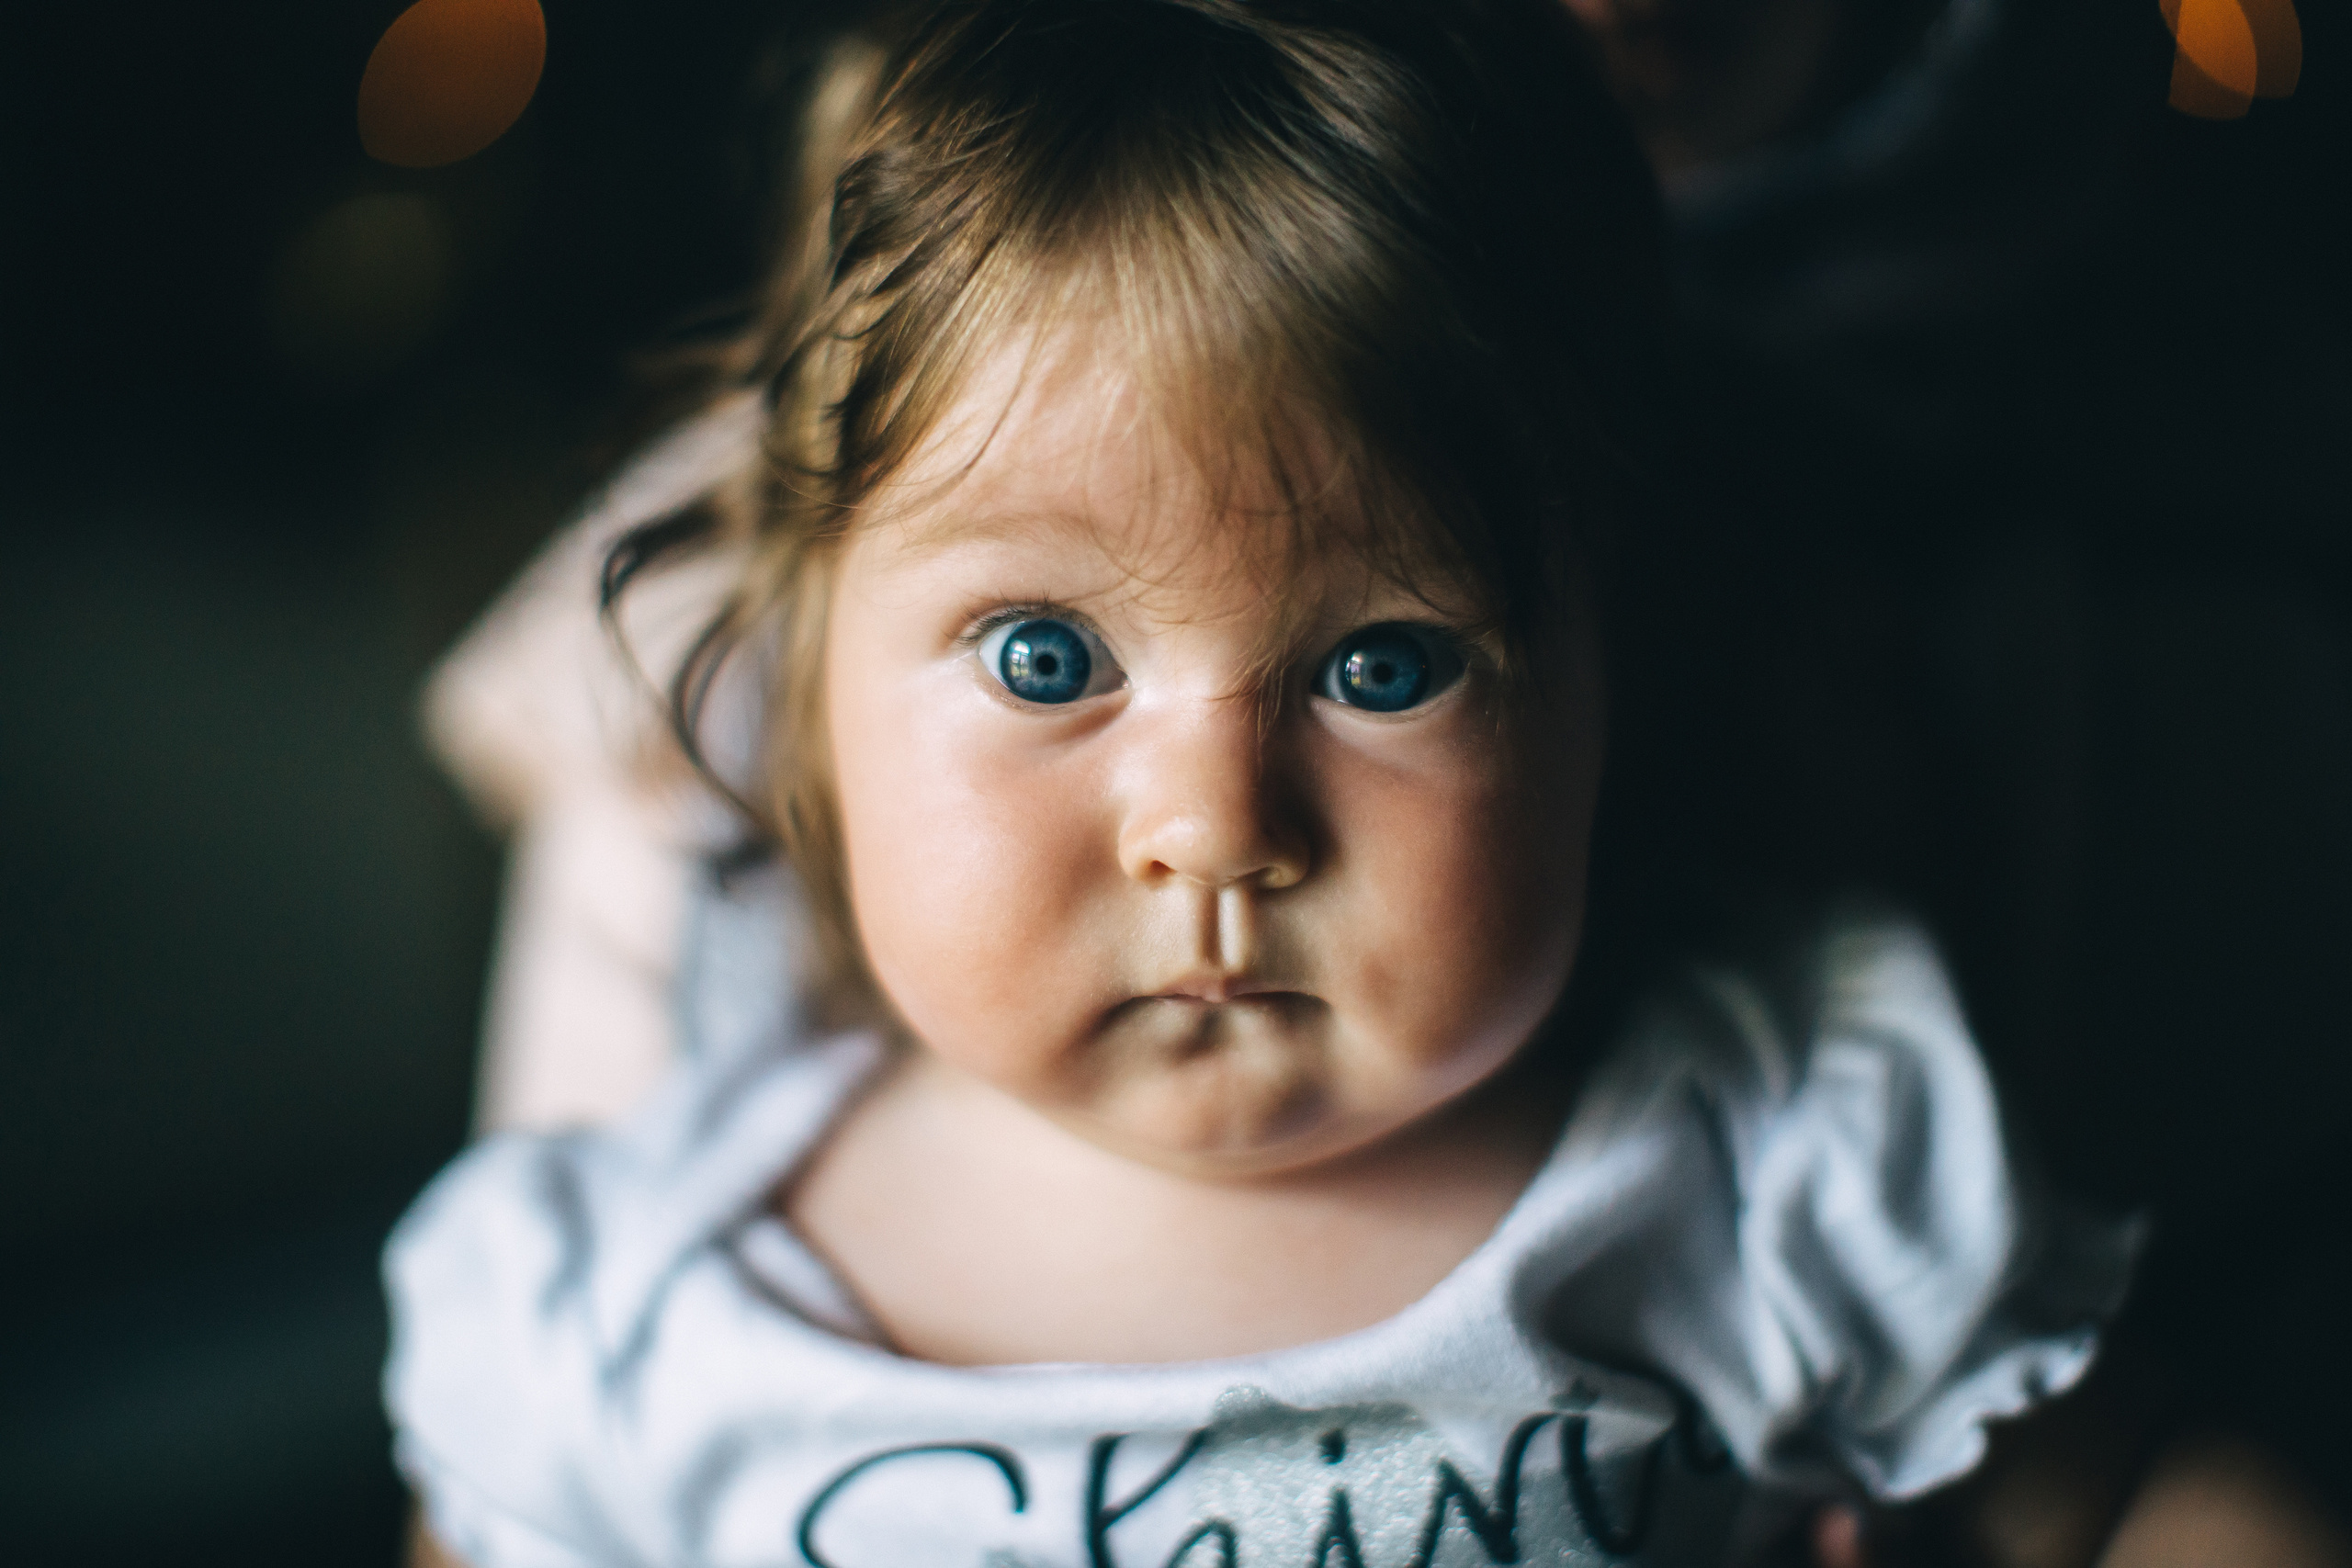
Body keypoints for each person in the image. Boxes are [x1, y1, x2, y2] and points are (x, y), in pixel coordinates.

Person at [385, 2, 2335, 1564]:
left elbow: (2134, 1495)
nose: (1217, 823)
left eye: (1379, 666)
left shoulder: (1768, 1165)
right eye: (1044, 659)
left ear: (1603, 689)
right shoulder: (628, 1299)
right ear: (806, 696)